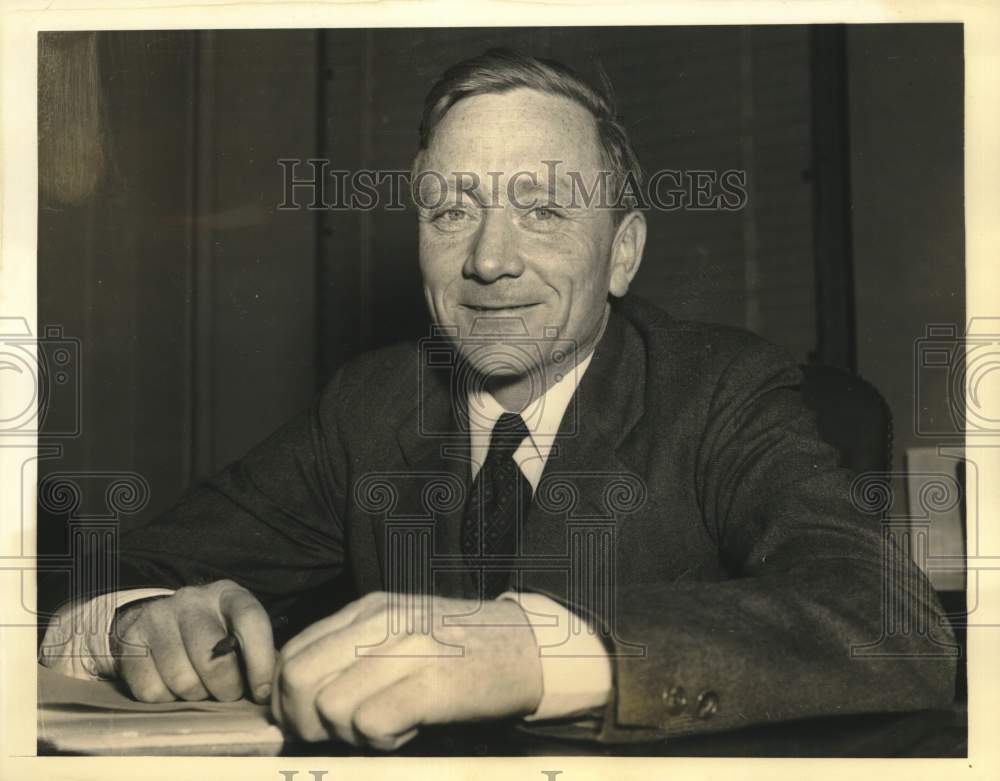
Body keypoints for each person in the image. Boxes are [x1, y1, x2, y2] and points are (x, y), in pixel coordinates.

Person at [41, 48, 957, 750]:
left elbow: (892, 623)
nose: (487, 259)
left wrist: (534, 649)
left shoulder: (719, 391)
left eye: (545, 210)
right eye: (450, 212)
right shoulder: (370, 407)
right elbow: (93, 571)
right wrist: (136, 619)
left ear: (625, 251)